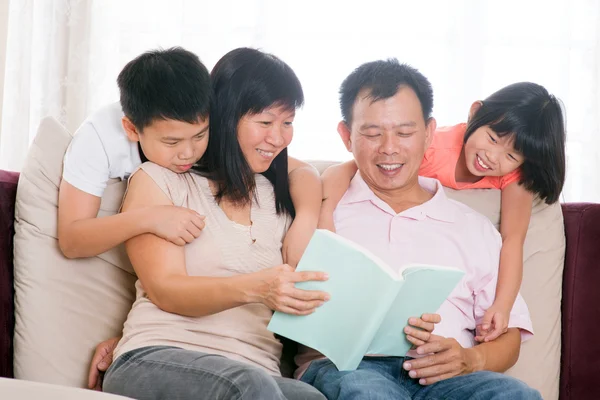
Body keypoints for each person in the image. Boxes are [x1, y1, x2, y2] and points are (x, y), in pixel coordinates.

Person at [296, 59, 541, 399]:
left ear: (429, 133)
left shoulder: (474, 227)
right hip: (349, 367)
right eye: (372, 133)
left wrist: (471, 358)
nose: (389, 148)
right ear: (346, 135)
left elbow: (509, 336)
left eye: (405, 132)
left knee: (517, 395)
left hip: (445, 377)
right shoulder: (320, 203)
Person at [100, 47, 330, 400]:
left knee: (310, 398)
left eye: (288, 123)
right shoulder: (161, 180)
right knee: (248, 385)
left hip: (256, 371)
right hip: (160, 355)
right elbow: (165, 289)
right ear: (225, 115)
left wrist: (308, 219)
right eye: (266, 122)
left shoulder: (281, 196)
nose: (278, 138)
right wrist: (257, 287)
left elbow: (308, 171)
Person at [320, 79, 566, 342]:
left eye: (511, 156)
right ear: (474, 113)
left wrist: (502, 306)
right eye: (492, 139)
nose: (493, 157)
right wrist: (324, 219)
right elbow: (348, 168)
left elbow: (514, 240)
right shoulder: (432, 146)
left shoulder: (514, 175)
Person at [58, 47, 321, 268]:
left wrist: (306, 220)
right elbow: (72, 240)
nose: (188, 153)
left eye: (199, 136)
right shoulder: (99, 139)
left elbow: (302, 171)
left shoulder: (211, 121)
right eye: (172, 142)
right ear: (131, 129)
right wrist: (149, 217)